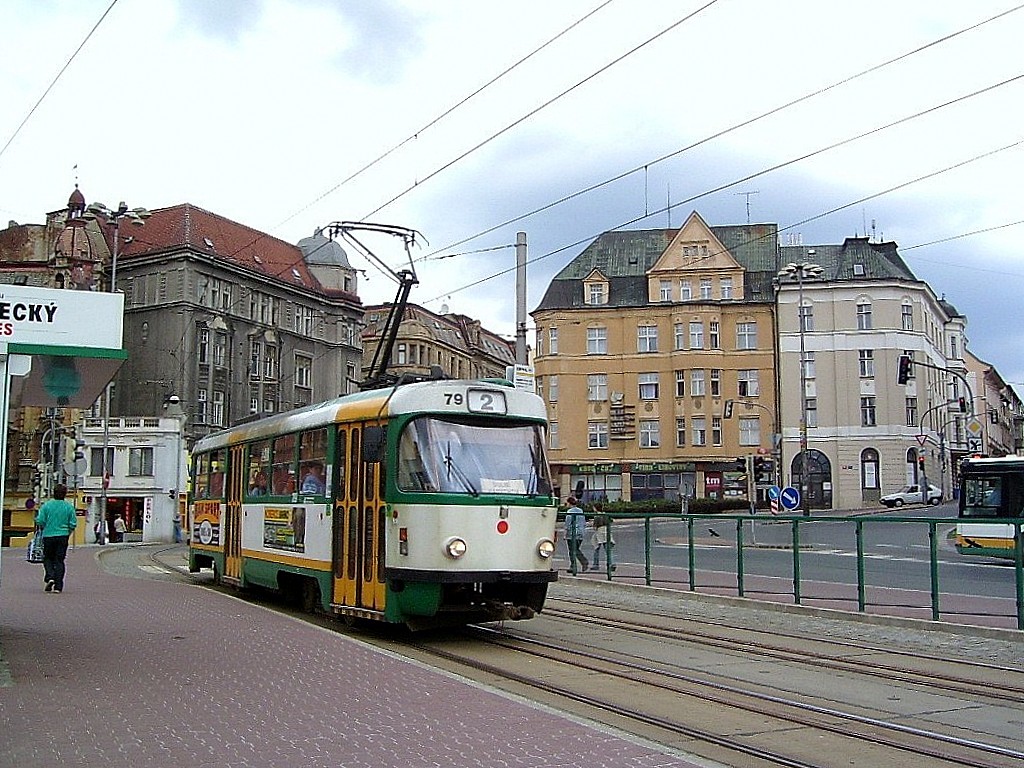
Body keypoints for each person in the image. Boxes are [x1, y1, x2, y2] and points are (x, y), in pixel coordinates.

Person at [34, 483, 77, 593]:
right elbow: (73, 523)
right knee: (59, 560)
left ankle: (50, 576)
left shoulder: (47, 506)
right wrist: (68, 532)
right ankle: (58, 587)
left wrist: (44, 526)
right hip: (63, 536)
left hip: (48, 535)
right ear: (65, 494)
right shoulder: (69, 507)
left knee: (47, 558)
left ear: (54, 493)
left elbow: (40, 520)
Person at [563, 496, 589, 573]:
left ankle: (574, 565)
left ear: (569, 503)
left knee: (572, 550)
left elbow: (567, 524)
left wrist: (565, 534)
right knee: (576, 549)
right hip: (581, 532)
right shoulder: (580, 510)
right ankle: (581, 562)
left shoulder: (570, 512)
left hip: (572, 533)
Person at [591, 505, 616, 572]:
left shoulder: (597, 516)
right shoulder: (606, 515)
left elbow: (595, 527)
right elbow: (612, 521)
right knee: (608, 550)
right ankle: (611, 563)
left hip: (599, 532)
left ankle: (595, 564)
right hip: (607, 531)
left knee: (596, 548)